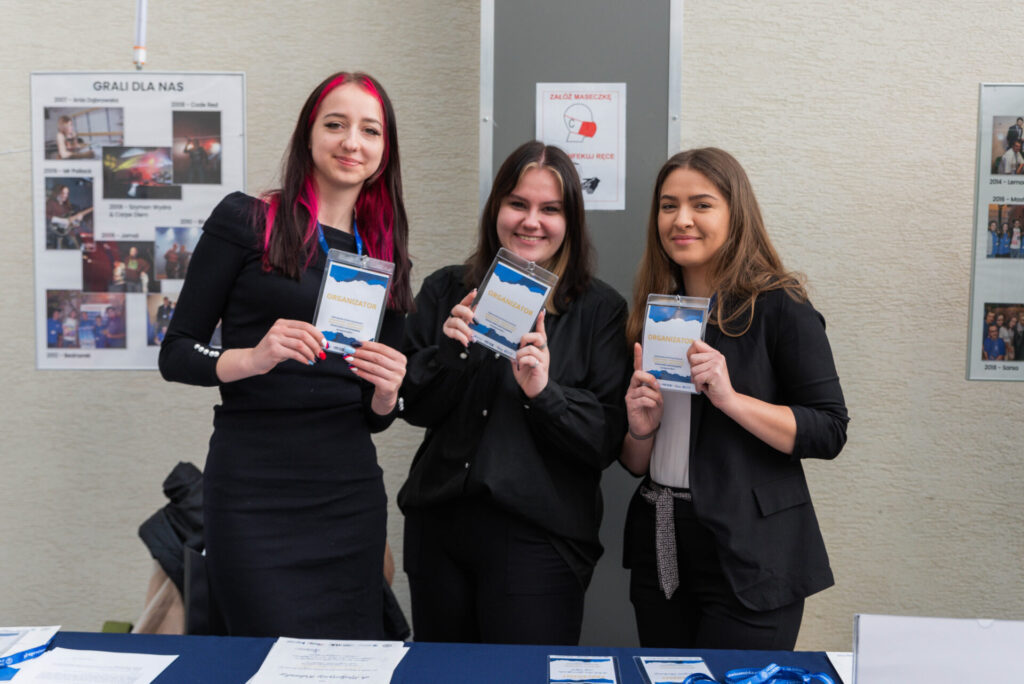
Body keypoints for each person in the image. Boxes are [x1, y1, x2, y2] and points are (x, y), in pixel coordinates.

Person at [159, 71, 413, 639]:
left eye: (370, 130)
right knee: (265, 657)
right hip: (254, 491)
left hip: (347, 494)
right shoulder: (246, 221)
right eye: (336, 125)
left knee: (346, 663)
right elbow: (175, 353)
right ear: (308, 134)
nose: (352, 142)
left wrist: (388, 393)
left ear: (384, 150)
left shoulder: (385, 253)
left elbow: (376, 418)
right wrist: (253, 357)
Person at [398, 141, 630, 646]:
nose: (531, 221)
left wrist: (544, 393)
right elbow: (410, 405)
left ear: (571, 221)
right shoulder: (446, 290)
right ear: (495, 209)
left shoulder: (601, 311)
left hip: (538, 541)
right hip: (438, 530)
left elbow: (607, 440)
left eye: (550, 209)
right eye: (518, 204)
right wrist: (450, 356)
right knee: (441, 678)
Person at [619, 148, 849, 650]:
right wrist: (640, 429)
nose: (681, 220)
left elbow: (830, 430)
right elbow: (635, 463)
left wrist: (730, 399)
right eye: (668, 206)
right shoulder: (651, 314)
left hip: (754, 553)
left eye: (701, 204)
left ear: (735, 214)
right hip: (662, 540)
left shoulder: (780, 306)